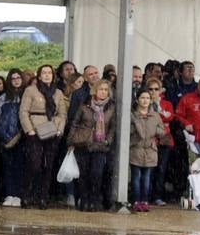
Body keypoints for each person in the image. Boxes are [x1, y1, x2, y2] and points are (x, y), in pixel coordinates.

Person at [20, 64, 67, 209]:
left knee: (48, 165)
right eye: (44, 73)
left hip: (52, 129)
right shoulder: (31, 90)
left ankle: (43, 197)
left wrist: (60, 129)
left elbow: (62, 114)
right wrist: (29, 130)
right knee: (35, 164)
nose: (47, 75)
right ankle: (27, 194)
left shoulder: (58, 92)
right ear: (39, 75)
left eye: (49, 73)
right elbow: (23, 111)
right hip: (35, 129)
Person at [68, 78, 117, 211]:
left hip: (100, 144)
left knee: (97, 174)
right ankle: (84, 200)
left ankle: (94, 200)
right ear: (95, 90)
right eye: (101, 89)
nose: (103, 92)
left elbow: (112, 126)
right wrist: (71, 141)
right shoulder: (85, 104)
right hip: (83, 142)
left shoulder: (111, 107)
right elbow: (75, 123)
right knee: (83, 174)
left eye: (106, 90)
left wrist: (108, 140)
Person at [0, 69, 25, 207]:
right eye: (13, 78)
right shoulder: (4, 96)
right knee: (7, 166)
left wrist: (18, 135)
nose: (16, 80)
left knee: (20, 166)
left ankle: (18, 194)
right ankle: (9, 194)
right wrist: (6, 137)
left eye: (18, 77)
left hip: (22, 136)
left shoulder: (26, 95)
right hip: (5, 137)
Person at [129, 89, 162, 212]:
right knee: (136, 177)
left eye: (147, 98)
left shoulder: (155, 115)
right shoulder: (133, 115)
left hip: (150, 150)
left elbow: (162, 131)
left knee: (147, 178)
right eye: (142, 98)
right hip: (136, 148)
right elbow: (129, 130)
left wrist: (155, 131)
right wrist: (135, 127)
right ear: (137, 100)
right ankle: (136, 200)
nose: (145, 100)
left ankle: (145, 200)